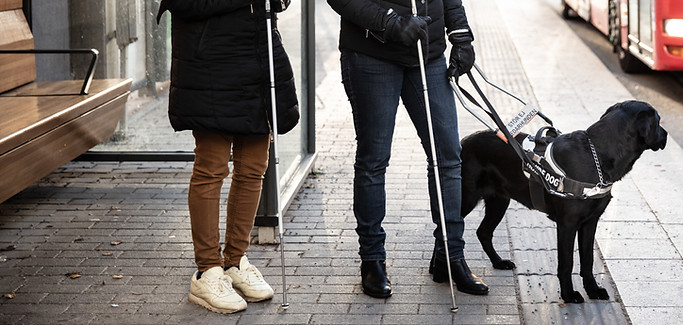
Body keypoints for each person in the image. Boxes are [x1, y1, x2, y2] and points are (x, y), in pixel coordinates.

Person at [326, 0, 486, 298]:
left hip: (428, 53)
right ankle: (372, 259)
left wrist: (461, 35)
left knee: (448, 157)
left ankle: (450, 256)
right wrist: (388, 21)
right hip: (371, 53)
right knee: (374, 161)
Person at [156, 0, 299, 314]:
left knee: (253, 167)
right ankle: (207, 270)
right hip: (210, 64)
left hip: (256, 60)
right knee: (212, 166)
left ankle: (234, 262)